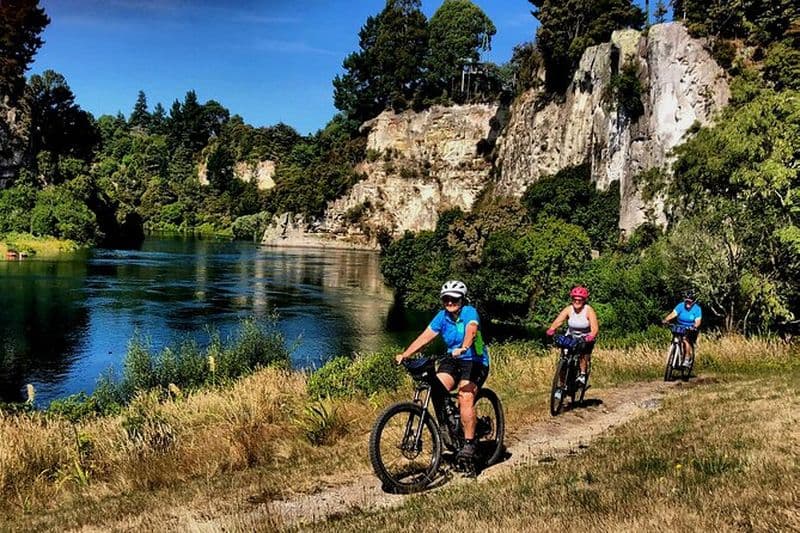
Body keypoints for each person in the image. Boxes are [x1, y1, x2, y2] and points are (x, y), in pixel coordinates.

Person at [395, 280, 490, 464]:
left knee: (465, 396)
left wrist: (463, 348)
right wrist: (405, 355)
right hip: (452, 359)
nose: (449, 303)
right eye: (445, 299)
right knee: (436, 386)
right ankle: (450, 427)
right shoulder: (442, 316)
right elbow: (425, 337)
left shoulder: (469, 312)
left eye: (453, 299)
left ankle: (469, 443)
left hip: (474, 361)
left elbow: (471, 331)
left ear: (462, 299)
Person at [546, 286, 599, 396]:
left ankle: (582, 374)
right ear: (572, 299)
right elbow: (559, 321)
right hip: (571, 336)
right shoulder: (569, 309)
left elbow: (594, 328)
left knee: (583, 354)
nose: (577, 301)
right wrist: (552, 329)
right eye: (575, 299)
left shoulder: (588, 310)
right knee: (563, 360)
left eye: (580, 299)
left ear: (584, 300)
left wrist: (591, 335)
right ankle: (561, 386)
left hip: (585, 337)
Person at [662, 290, 702, 367]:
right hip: (680, 327)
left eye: (690, 302)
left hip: (690, 328)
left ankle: (687, 358)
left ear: (693, 302)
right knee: (676, 338)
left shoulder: (697, 309)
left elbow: (698, 321)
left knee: (686, 340)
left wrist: (694, 326)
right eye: (686, 301)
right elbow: (673, 314)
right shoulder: (680, 306)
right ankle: (675, 354)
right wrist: (666, 320)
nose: (688, 303)